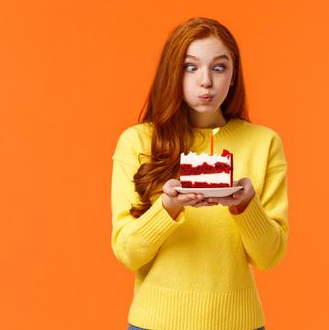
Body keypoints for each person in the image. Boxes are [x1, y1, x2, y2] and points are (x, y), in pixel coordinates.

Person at [111, 17, 289, 330]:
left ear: (233, 75)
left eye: (219, 67)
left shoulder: (264, 143)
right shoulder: (138, 141)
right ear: (172, 73)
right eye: (190, 67)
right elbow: (127, 252)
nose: (205, 81)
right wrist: (168, 207)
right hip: (155, 323)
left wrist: (246, 206)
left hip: (240, 322)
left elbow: (269, 257)